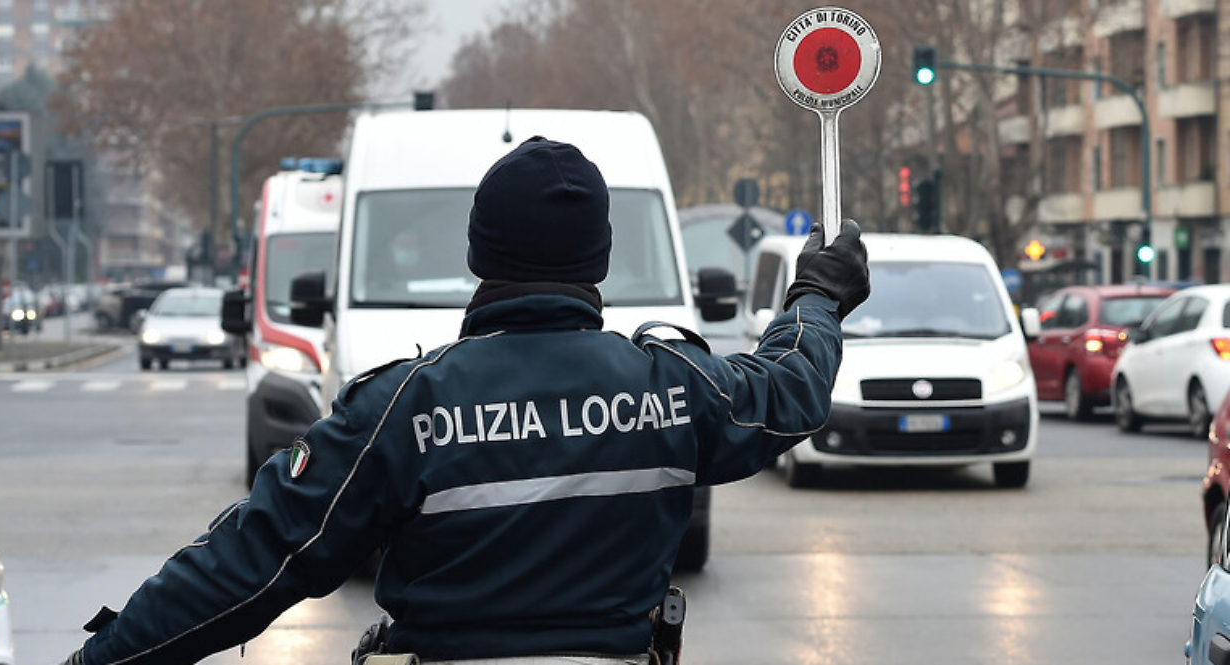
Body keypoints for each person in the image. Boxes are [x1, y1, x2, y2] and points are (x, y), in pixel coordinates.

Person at [59, 137, 869, 665]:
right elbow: (790, 389)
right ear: (602, 257)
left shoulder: (405, 405)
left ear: (480, 251)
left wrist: (98, 661)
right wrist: (818, 294)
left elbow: (247, 563)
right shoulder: (670, 386)